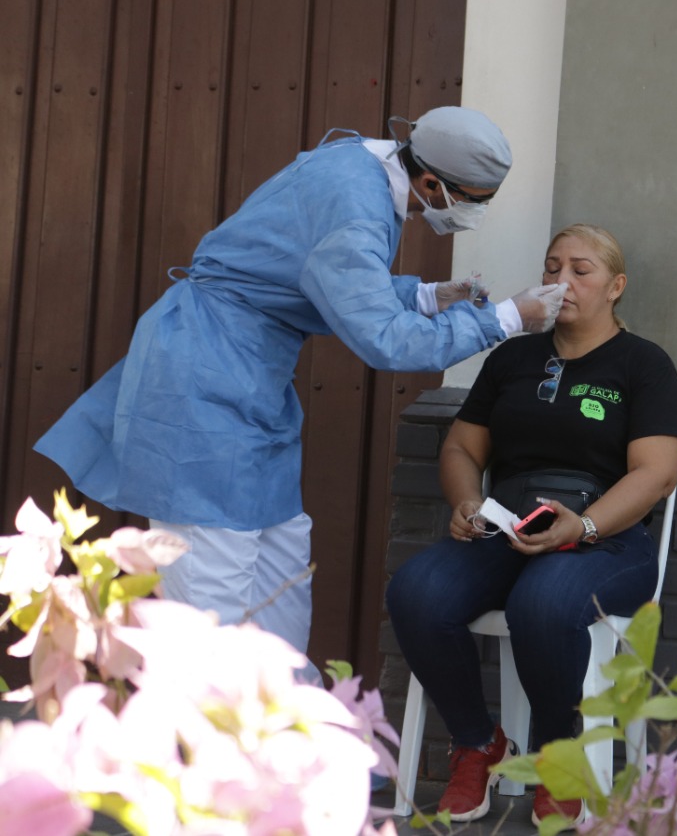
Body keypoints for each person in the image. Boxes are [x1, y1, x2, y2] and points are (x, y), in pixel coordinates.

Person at [34, 106, 567, 680]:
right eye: (474, 199)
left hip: (249, 381)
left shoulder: (358, 165)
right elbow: (386, 340)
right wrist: (509, 317)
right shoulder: (354, 207)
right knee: (210, 608)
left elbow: (322, 272)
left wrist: (429, 295)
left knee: (279, 581)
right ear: (431, 183)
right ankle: (212, 755)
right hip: (202, 385)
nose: (476, 212)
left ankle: (287, 746)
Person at [385, 224, 677, 825]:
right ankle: (479, 744)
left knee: (543, 603)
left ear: (615, 287)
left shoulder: (643, 365)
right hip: (510, 523)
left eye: (581, 270)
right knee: (416, 591)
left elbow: (656, 475)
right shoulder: (514, 356)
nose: (561, 281)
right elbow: (461, 451)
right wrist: (468, 501)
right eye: (552, 268)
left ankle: (557, 754)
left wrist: (585, 526)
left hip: (606, 536)